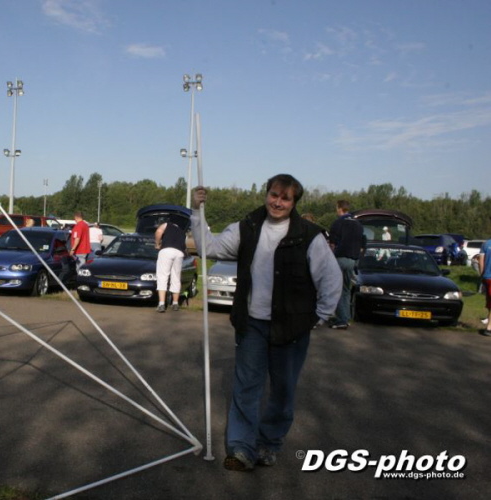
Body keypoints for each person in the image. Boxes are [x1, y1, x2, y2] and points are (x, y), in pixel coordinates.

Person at [191, 174, 341, 472]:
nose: (278, 202)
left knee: (283, 391)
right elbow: (209, 248)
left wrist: (319, 316)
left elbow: (331, 278)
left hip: (291, 327)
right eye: (274, 195)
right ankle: (241, 449)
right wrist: (197, 211)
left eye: (285, 198)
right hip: (252, 325)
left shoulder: (309, 235)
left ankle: (268, 444)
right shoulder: (246, 227)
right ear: (266, 194)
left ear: (294, 202)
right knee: (246, 388)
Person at [328, 200, 365, 329]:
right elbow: (362, 245)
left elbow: (332, 243)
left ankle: (341, 319)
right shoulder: (359, 224)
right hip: (353, 260)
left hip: (340, 258)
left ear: (339, 209)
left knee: (336, 289)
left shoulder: (338, 223)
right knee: (346, 289)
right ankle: (346, 317)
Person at [154, 218, 187, 312]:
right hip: (179, 253)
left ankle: (161, 304)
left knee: (162, 276)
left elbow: (158, 231)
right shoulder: (182, 232)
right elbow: (184, 246)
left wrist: (157, 244)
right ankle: (175, 303)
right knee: (176, 277)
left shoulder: (166, 225)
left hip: (166, 250)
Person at [478, 238, 491, 336]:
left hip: (487, 277)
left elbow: (481, 262)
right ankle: (489, 327)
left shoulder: (486, 244)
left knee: (490, 301)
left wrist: (482, 275)